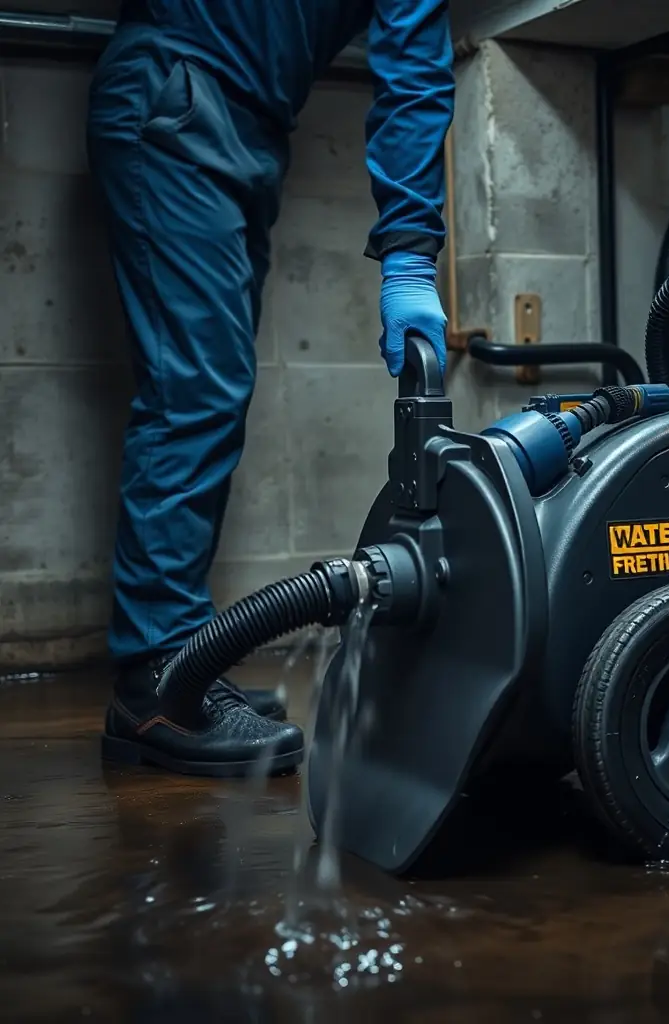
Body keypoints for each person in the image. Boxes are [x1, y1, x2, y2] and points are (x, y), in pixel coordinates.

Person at [89, 0, 454, 778]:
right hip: (180, 88)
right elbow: (414, 67)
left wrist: (412, 255)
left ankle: (178, 658)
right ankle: (155, 682)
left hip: (240, 118)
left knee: (208, 391)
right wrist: (410, 253)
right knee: (194, 391)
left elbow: (415, 66)